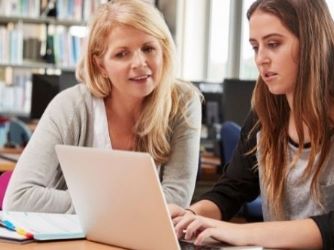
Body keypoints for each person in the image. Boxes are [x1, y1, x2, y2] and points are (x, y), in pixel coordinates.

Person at [4, 0, 201, 213]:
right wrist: (116, 206)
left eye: (148, 48)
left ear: (163, 50)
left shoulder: (182, 102)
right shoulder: (70, 107)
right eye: (121, 54)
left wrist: (97, 205)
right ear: (101, 64)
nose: (139, 63)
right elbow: (19, 198)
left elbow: (177, 198)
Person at [170, 0, 334, 249]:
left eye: (273, 44)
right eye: (256, 47)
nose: (260, 59)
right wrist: (191, 217)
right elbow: (231, 190)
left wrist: (241, 233)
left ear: (312, 43)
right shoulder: (265, 116)